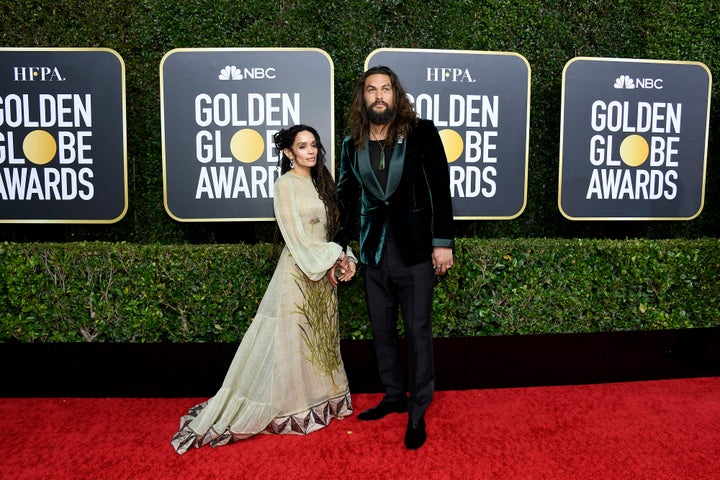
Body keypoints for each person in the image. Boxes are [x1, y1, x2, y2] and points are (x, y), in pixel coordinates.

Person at [171, 125, 356, 454]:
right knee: (293, 341)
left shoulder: (323, 182)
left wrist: (345, 258)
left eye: (314, 145)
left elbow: (336, 230)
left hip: (323, 273)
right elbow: (296, 237)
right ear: (289, 153)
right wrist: (334, 258)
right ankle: (293, 407)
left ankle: (322, 402)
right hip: (299, 272)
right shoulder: (285, 186)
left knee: (319, 339)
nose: (311, 151)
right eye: (302, 146)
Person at [329, 65, 454, 450]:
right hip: (374, 253)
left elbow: (439, 187)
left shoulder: (422, 133)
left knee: (417, 332)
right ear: (362, 98)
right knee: (381, 330)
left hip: (416, 251)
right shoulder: (352, 144)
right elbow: (345, 202)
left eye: (386, 89)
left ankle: (418, 411)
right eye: (371, 90)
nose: (379, 95)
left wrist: (442, 242)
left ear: (396, 95)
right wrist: (340, 249)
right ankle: (394, 395)